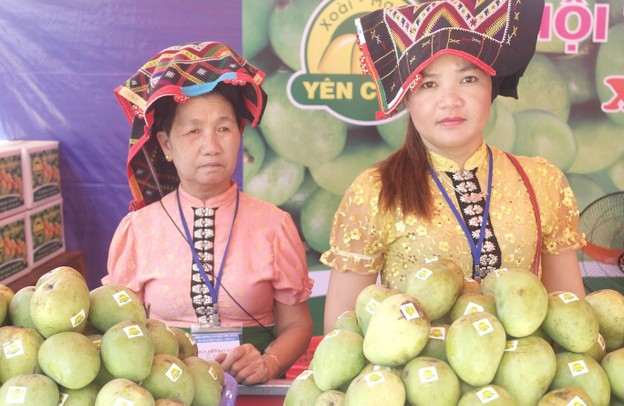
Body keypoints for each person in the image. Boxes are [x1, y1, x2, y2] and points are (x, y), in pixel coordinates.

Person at [320, 0, 586, 331]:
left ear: (492, 85)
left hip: (527, 374)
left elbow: (572, 318)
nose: (450, 100)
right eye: (429, 84)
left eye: (468, 78)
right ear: (407, 97)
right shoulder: (375, 190)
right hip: (414, 377)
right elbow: (341, 331)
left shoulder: (542, 181)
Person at [104, 41, 314, 384]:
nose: (211, 146)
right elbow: (120, 333)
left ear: (240, 135)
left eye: (224, 129)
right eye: (192, 131)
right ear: (166, 144)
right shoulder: (138, 230)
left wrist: (269, 362)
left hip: (252, 387)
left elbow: (297, 324)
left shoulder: (275, 226)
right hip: (163, 397)